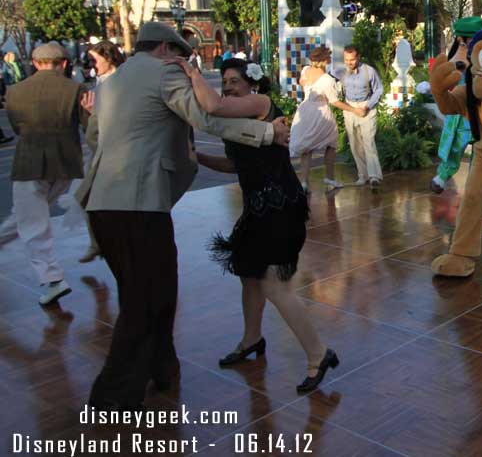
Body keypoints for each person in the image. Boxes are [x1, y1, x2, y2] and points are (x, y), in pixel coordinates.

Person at [80, 22, 290, 411]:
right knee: (146, 299)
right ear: (164, 49)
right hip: (139, 206)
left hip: (103, 207)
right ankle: (112, 396)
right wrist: (266, 134)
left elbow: (95, 138)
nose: (183, 62)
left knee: (150, 292)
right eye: (181, 54)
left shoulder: (111, 81)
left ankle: (163, 370)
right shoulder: (163, 74)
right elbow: (206, 117)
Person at [172, 57, 338, 393]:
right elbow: (236, 165)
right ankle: (252, 339)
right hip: (257, 211)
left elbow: (212, 106)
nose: (228, 87)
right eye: (225, 81)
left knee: (274, 286)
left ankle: (319, 354)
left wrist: (191, 72)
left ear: (254, 84)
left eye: (234, 81)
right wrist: (199, 158)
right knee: (249, 275)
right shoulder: (242, 125)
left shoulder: (261, 105)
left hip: (280, 209)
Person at [5, 42, 90, 305]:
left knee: (32, 223)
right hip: (64, 165)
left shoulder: (15, 91)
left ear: (34, 62)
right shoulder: (76, 89)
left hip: (29, 164)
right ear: (64, 63)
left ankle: (53, 278)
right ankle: (52, 277)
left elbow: (17, 128)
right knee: (27, 218)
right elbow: (90, 127)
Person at [67, 40, 125, 263]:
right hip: (103, 151)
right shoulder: (104, 82)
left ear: (108, 58)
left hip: (110, 151)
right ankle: (99, 242)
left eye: (95, 60)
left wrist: (92, 113)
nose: (92, 65)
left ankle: (104, 243)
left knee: (90, 198)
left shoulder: (115, 83)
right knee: (88, 198)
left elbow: (105, 122)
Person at [431, 17, 482, 194]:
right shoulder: (455, 58)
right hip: (460, 113)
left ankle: (476, 188)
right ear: (460, 39)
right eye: (471, 38)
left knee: (481, 152)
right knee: (456, 146)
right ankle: (443, 175)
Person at [290, 47, 344, 191]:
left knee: (307, 148)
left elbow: (302, 82)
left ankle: (304, 182)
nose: (330, 59)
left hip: (305, 109)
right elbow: (334, 101)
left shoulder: (306, 70)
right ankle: (329, 178)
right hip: (320, 111)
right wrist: (353, 109)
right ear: (324, 60)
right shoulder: (327, 79)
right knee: (331, 144)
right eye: (329, 57)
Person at [335, 46, 384, 191]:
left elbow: (379, 89)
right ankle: (363, 175)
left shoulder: (369, 71)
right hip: (349, 108)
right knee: (355, 144)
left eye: (352, 59)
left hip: (366, 107)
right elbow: (327, 79)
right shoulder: (340, 72)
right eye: (346, 60)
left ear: (358, 57)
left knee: (368, 141)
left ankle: (374, 176)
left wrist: (367, 106)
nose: (349, 62)